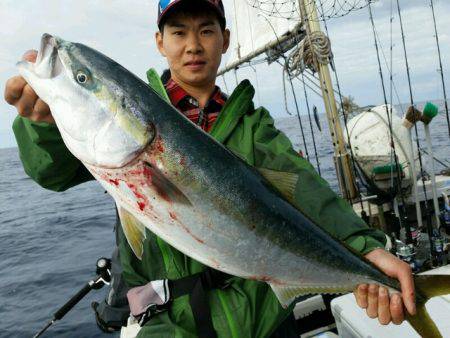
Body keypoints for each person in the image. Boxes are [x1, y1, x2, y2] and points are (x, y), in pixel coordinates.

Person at [4, 0, 416, 337]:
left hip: (264, 321)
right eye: (179, 32)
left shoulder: (255, 127)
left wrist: (368, 251)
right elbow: (51, 173)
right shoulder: (134, 117)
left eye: (206, 30)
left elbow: (308, 191)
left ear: (225, 40)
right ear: (159, 42)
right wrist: (43, 124)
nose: (193, 45)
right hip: (171, 326)